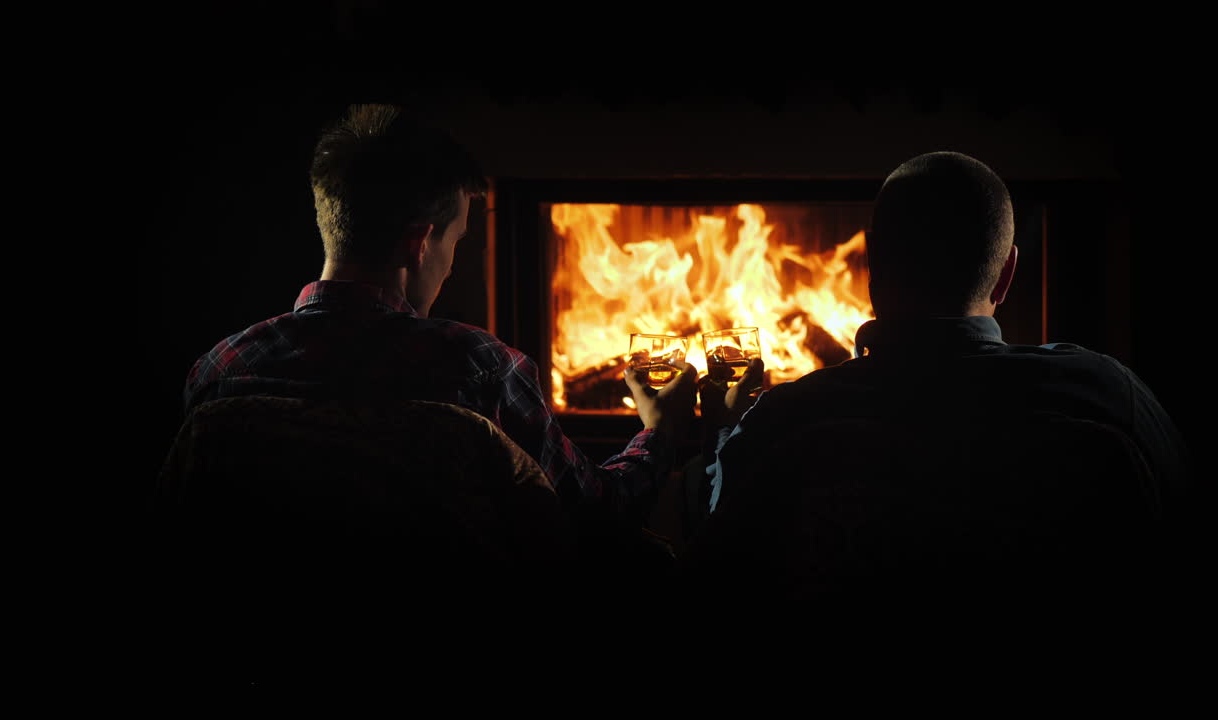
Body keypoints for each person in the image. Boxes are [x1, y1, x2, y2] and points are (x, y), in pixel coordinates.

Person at [686, 151, 1192, 619]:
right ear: (1007, 272)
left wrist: (719, 438)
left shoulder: (782, 420)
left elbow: (714, 590)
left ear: (870, 268)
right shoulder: (1108, 394)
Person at [182, 103, 698, 526]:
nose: (451, 264)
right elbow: (592, 515)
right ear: (421, 243)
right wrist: (659, 433)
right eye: (456, 241)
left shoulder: (222, 370)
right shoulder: (481, 371)